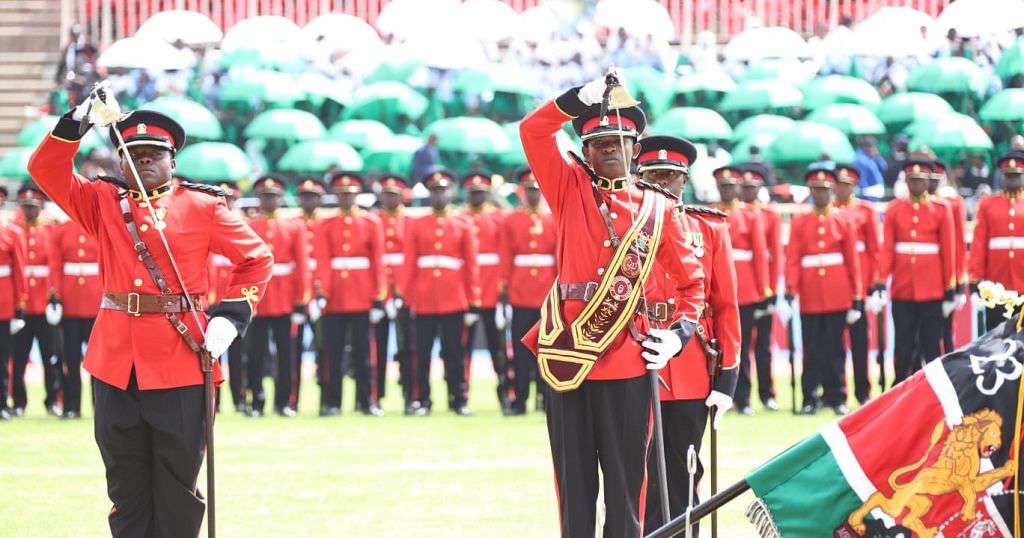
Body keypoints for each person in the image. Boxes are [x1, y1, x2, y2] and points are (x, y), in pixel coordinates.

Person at [27, 98, 272, 536]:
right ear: (120, 162)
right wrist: (77, 121)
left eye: (154, 154)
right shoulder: (102, 201)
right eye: (134, 154)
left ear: (172, 161)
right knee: (125, 485)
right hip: (115, 364)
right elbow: (45, 170)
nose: (143, 161)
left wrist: (230, 317)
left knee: (177, 484)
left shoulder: (203, 206)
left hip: (180, 361)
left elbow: (256, 259)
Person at [519, 75, 704, 537]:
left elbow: (692, 285)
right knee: (574, 487)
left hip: (627, 359)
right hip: (568, 355)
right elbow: (532, 131)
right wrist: (573, 100)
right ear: (584, 151)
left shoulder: (658, 208)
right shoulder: (568, 188)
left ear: (635, 148)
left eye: (618, 142)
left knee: (626, 488)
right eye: (598, 144)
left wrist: (677, 336)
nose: (608, 150)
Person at [636, 135, 739, 532]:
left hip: (691, 368)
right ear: (639, 178)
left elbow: (725, 305)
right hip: (636, 359)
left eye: (671, 176)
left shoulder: (708, 228)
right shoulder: (623, 224)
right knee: (636, 470)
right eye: (653, 176)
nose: (662, 184)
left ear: (685, 180)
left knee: (684, 468)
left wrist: (726, 381)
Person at [400, 169, 480, 416]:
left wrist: (473, 301)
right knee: (422, 354)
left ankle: (459, 400)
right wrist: (407, 298)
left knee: (454, 354)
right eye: (434, 191)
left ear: (451, 193)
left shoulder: (462, 224)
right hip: (424, 299)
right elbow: (409, 264)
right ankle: (423, 400)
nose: (439, 196)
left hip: (453, 298)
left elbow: (471, 265)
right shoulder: (417, 224)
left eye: (443, 191)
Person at [786, 168, 863, 415]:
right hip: (810, 294)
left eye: (825, 190)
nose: (820, 195)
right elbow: (793, 258)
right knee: (811, 349)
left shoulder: (844, 220)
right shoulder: (800, 221)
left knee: (835, 349)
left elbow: (852, 261)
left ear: (831, 191)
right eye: (816, 190)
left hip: (837, 293)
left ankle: (836, 396)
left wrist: (856, 297)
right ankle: (809, 397)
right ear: (811, 192)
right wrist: (790, 289)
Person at [313, 172, 386, 416]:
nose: (346, 198)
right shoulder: (326, 224)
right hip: (335, 297)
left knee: (364, 353)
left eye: (350, 194)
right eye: (342, 194)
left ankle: (367, 401)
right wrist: (322, 291)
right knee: (332, 354)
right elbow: (322, 259)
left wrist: (378, 297)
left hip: (362, 295)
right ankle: (332, 402)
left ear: (357, 196)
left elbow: (377, 261)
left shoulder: (370, 223)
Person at [882, 160, 956, 382]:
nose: (916, 184)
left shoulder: (941, 209)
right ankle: (900, 387)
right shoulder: (895, 209)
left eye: (920, 180)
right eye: (912, 180)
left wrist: (949, 289)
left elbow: (948, 251)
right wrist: (879, 282)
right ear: (906, 181)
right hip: (903, 288)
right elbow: (887, 250)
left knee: (931, 345)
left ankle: (933, 391)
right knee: (903, 345)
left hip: (932, 289)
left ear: (928, 182)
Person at [244, 175, 310, 417]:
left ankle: (284, 402)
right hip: (257, 299)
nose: (269, 201)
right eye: (265, 197)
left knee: (286, 354)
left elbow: (301, 265)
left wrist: (301, 301)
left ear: (280, 199)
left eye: (273, 197)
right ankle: (256, 401)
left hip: (285, 299)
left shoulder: (293, 226)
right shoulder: (249, 226)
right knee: (255, 354)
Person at [499, 168, 556, 415]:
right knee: (521, 348)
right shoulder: (512, 220)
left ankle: (545, 398)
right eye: (529, 190)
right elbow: (505, 255)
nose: (533, 195)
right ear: (522, 192)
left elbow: (559, 256)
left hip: (547, 292)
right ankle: (520, 398)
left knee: (546, 347)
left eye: (536, 190)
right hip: (520, 291)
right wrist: (504, 287)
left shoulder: (553, 219)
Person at [715, 165, 771, 416]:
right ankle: (721, 396)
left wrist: (763, 291)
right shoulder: (710, 213)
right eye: (723, 186)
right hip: (717, 289)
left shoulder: (750, 216)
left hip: (745, 290)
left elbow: (759, 254)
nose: (727, 190)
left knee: (744, 346)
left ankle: (744, 399)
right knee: (719, 347)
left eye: (731, 186)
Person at [832, 164, 883, 404]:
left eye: (847, 185)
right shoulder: (828, 211)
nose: (842, 189)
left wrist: (875, 284)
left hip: (861, 286)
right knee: (834, 343)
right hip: (836, 284)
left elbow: (875, 250)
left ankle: (863, 392)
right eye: (839, 184)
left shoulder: (865, 210)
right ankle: (836, 392)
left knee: (861, 342)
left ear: (854, 186)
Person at [460, 172, 511, 411]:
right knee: (463, 349)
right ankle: (462, 395)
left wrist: (503, 288)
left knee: (498, 349)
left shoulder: (499, 218)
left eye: (481, 192)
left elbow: (505, 254)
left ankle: (505, 394)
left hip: (493, 290)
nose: (477, 197)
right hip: (466, 295)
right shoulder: (461, 218)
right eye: (473, 193)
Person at [10, 184, 61, 417]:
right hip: (22, 306)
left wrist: (54, 297)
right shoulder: (14, 231)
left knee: (51, 357)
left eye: (33, 207)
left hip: (43, 304)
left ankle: (52, 401)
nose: (29, 211)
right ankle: (19, 402)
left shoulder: (50, 230)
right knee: (19, 358)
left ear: (41, 207)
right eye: (26, 206)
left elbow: (55, 266)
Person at [49, 197, 102, 419]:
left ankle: (100, 407)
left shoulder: (98, 227)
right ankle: (71, 406)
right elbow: (55, 265)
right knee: (69, 358)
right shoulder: (61, 230)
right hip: (70, 304)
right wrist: (55, 296)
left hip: (96, 303)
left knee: (99, 361)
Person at [739, 163, 780, 411]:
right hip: (743, 288)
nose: (748, 192)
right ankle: (742, 396)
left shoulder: (769, 215)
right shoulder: (736, 212)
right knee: (742, 346)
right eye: (744, 187)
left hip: (762, 290)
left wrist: (770, 290)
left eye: (752, 187)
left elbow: (773, 255)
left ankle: (767, 394)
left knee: (763, 346)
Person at [969, 151, 1024, 331]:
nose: (1012, 180)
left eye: (1016, 176)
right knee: (996, 337)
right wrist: (976, 281)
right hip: (996, 286)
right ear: (1002, 177)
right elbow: (979, 245)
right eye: (1008, 176)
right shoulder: (988, 204)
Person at [373, 174, 414, 413]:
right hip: (380, 292)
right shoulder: (374, 221)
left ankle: (410, 396)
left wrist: (403, 291)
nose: (390, 199)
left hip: (403, 292)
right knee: (376, 348)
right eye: (386, 194)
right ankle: (375, 396)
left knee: (408, 347)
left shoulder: (410, 222)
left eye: (394, 195)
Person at [206, 180, 246, 413]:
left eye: (229, 200)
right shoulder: (207, 224)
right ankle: (216, 400)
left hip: (235, 297)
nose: (225, 204)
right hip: (212, 297)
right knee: (212, 352)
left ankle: (240, 399)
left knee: (240, 354)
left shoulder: (242, 226)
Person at [292, 178, 325, 412]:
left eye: (313, 197)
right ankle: (292, 400)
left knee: (325, 349)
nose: (309, 201)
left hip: (321, 294)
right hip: (297, 295)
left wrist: (321, 293)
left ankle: (326, 400)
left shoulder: (326, 223)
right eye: (305, 197)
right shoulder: (293, 224)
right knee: (293, 350)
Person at [929, 161, 968, 353]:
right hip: (926, 276)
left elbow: (958, 245)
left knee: (946, 331)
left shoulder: (952, 202)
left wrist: (958, 284)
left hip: (946, 277)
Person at [0, 185, 25, 421]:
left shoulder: (11, 233)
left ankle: (1, 404)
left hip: (3, 305)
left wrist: (19, 307)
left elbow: (18, 271)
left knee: (2, 357)